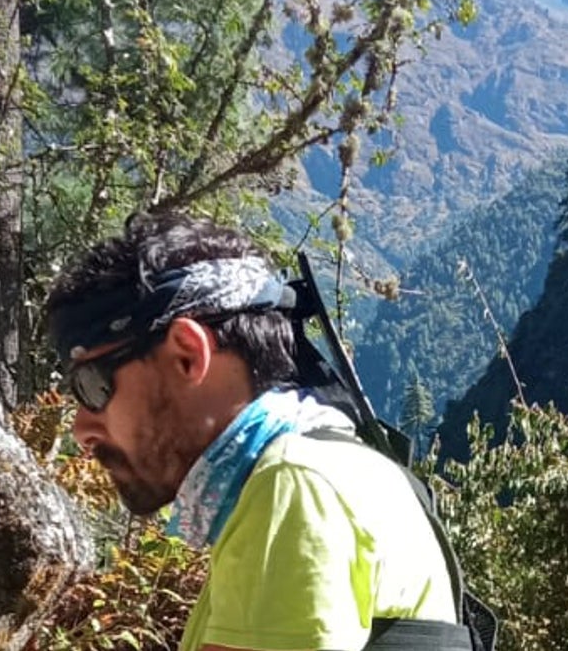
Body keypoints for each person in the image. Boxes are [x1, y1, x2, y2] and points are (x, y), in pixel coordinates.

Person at [45, 209, 462, 651]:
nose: (81, 429)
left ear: (187, 353)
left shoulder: (294, 484)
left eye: (91, 386)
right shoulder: (330, 466)